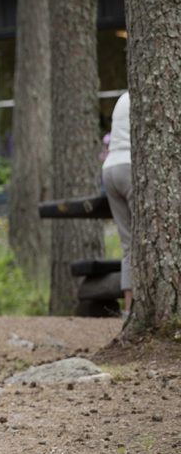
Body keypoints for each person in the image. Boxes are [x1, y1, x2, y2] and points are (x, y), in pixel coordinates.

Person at [102, 91, 132, 315]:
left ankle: (130, 309)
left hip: (111, 167)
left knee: (129, 246)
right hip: (131, 166)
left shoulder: (123, 98)